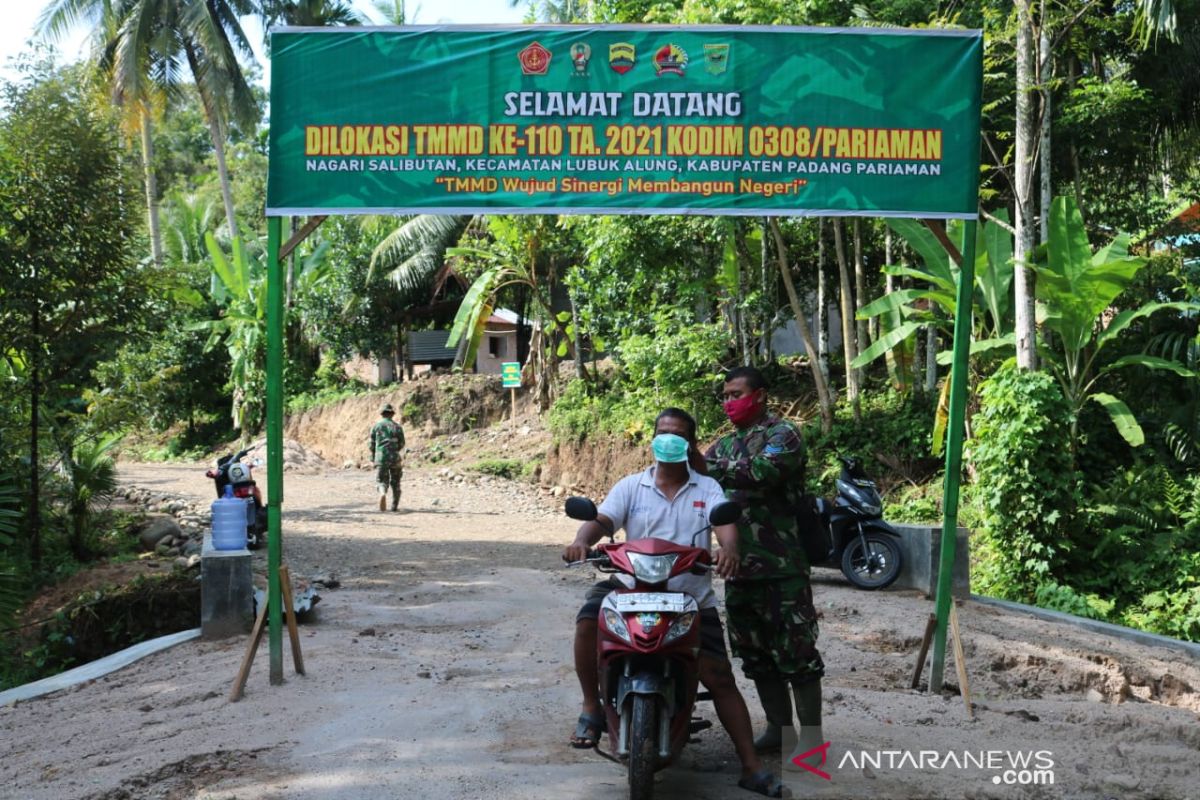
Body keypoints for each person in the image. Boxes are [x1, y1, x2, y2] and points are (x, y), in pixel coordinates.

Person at [562, 408, 784, 797]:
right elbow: (603, 520)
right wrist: (583, 540)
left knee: (718, 677)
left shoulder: (707, 489)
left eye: (677, 434)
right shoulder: (632, 485)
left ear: (690, 444)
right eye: (662, 432)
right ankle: (591, 708)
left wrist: (729, 550)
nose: (668, 439)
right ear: (652, 439)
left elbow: (726, 525)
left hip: (689, 596)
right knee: (586, 622)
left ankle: (751, 766)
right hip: (628, 587)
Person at [703, 366, 825, 770]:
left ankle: (811, 740)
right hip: (738, 570)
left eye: (736, 393)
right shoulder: (721, 446)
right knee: (755, 655)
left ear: (759, 396)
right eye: (724, 395)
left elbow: (764, 471)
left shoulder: (782, 435)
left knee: (798, 654)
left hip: (781, 568)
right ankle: (778, 727)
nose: (729, 402)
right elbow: (697, 489)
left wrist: (708, 468)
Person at [369, 403, 405, 512]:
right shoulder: (397, 427)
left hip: (381, 457)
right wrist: (394, 450)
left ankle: (382, 493)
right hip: (394, 457)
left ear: (382, 414)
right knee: (396, 482)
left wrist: (374, 457)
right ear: (392, 414)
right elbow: (402, 443)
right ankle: (394, 506)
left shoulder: (376, 426)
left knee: (381, 480)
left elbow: (371, 444)